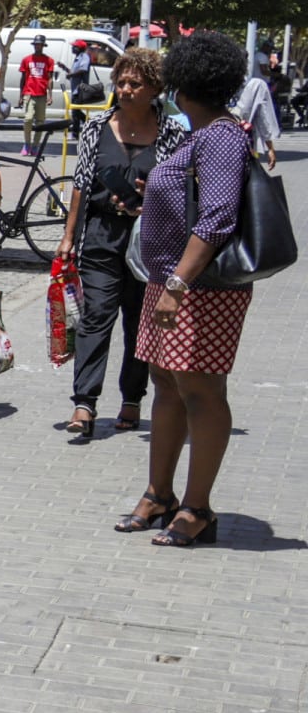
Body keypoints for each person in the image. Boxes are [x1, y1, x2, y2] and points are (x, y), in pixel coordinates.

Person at [115, 30, 256, 547]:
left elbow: (217, 217)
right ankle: (159, 494)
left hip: (199, 286)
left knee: (200, 389)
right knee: (167, 384)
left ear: (182, 85)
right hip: (169, 281)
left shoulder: (220, 135)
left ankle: (197, 508)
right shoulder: (200, 133)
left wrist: (177, 282)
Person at [57, 48, 185, 439]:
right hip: (101, 238)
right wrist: (68, 236)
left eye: (135, 84)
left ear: (155, 89)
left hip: (151, 244)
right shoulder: (97, 128)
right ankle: (84, 402)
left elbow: (183, 189)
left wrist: (153, 197)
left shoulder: (173, 133)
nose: (126, 90)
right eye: (122, 82)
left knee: (138, 320)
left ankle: (132, 398)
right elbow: (80, 184)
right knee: (96, 316)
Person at [233, 66, 280, 169]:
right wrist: (270, 148)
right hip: (244, 144)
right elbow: (263, 118)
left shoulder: (214, 85)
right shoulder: (255, 85)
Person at [18, 34, 57, 157]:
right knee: (28, 119)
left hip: (42, 94)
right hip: (29, 93)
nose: (37, 47)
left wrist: (50, 95)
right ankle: (27, 143)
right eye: (36, 45)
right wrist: (20, 95)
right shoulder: (26, 60)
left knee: (40, 122)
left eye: (39, 45)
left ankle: (35, 145)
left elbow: (50, 79)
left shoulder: (49, 60)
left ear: (43, 46)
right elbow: (23, 78)